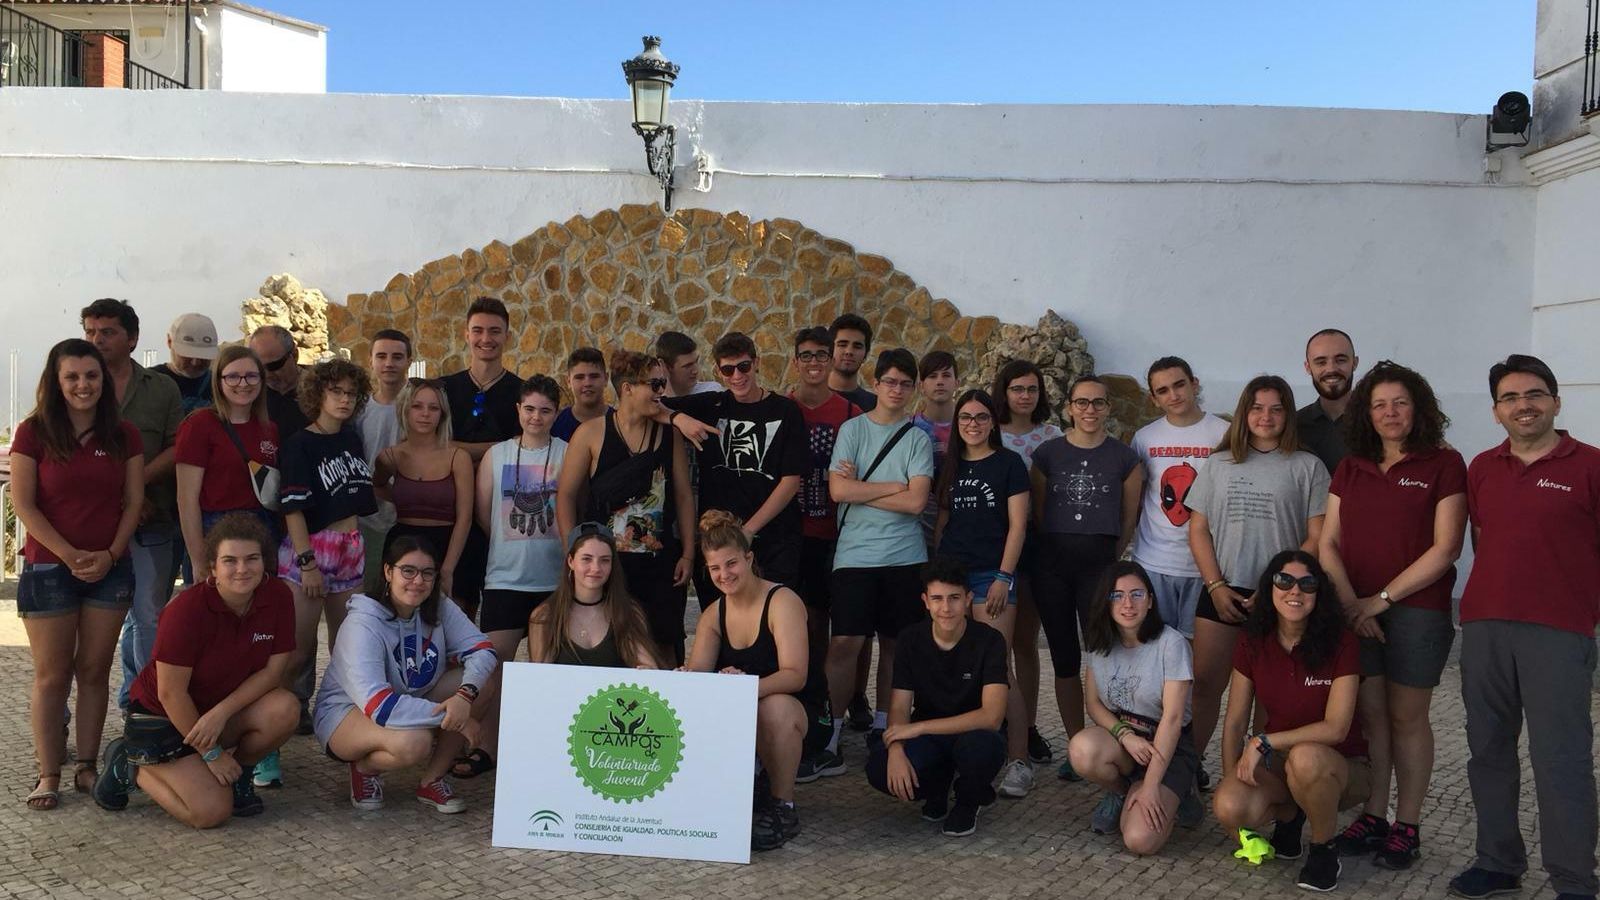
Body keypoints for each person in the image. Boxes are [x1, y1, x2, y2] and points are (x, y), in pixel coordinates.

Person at [1447, 355, 1599, 900]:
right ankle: (1498, 862)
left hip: (1559, 631)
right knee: (1487, 748)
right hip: (1485, 626)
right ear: (1495, 411)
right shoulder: (1483, 467)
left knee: (1560, 757)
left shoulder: (1591, 465)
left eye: (1533, 394)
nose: (1523, 405)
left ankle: (1575, 880)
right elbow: (1483, 540)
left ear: (1556, 402)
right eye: (1509, 398)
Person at [1319, 362, 1466, 870]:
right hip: (1354, 609)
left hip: (1416, 611)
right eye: (1379, 404)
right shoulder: (1351, 466)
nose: (1390, 413)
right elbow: (1328, 543)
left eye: (1400, 402)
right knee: (1373, 717)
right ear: (1366, 412)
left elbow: (1446, 549)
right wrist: (1350, 605)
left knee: (1407, 718)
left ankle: (1408, 825)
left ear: (1418, 408)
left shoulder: (1443, 465)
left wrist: (1377, 601)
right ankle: (1374, 816)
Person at [93, 513, 299, 826]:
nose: (242, 569)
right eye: (229, 560)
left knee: (284, 707)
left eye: (252, 559)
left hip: (213, 714)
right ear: (212, 568)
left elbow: (273, 673)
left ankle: (238, 776)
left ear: (265, 562)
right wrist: (212, 754)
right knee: (210, 813)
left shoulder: (279, 596)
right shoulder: (186, 610)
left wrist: (221, 713)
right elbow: (169, 692)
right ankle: (131, 765)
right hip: (162, 716)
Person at [11, 339, 143, 809]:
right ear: (56, 381)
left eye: (91, 376)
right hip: (50, 567)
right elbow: (23, 503)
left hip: (109, 568)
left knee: (93, 670)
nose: (83, 385)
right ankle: (49, 773)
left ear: (103, 381)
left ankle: (87, 766)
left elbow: (133, 502)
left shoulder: (124, 434)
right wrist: (67, 554)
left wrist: (110, 553)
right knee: (52, 675)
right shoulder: (33, 432)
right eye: (72, 377)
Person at [1185, 374, 1328, 790]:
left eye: (1276, 408)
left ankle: (1262, 780)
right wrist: (1215, 585)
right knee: (1206, 686)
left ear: (1288, 415)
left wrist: (1276, 590)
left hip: (1283, 596)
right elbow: (1198, 530)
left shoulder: (1308, 466)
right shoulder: (1218, 463)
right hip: (1223, 590)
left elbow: (1317, 537)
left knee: (1269, 698)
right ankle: (1187, 770)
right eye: (1257, 407)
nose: (1266, 416)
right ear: (1244, 412)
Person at [1212, 551, 1367, 893]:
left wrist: (1264, 741)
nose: (1294, 591)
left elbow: (1336, 728)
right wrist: (1232, 777)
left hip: (1342, 766)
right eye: (1284, 581)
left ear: (1319, 593)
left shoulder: (1342, 643)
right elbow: (1235, 721)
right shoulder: (1253, 641)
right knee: (1229, 804)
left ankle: (1324, 850)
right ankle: (1289, 817)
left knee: (1306, 757)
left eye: (1307, 584)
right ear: (1269, 588)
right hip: (1281, 767)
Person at [314, 536, 498, 813]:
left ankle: (432, 780)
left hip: (409, 695)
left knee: (482, 685)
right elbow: (379, 706)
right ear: (388, 572)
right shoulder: (362, 624)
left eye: (427, 573)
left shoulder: (437, 605)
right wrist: (459, 720)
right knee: (415, 742)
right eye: (407, 571)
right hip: (349, 713)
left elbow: (483, 649)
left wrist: (465, 695)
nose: (418, 581)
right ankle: (364, 769)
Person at [684, 511, 830, 851]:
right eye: (715, 569)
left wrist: (740, 688)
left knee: (773, 708)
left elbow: (796, 675)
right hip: (746, 714)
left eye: (731, 564)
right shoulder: (712, 615)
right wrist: (685, 681)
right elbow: (700, 681)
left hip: (803, 713)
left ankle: (783, 806)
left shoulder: (783, 602)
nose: (725, 575)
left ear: (749, 559)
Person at [822, 348, 935, 770]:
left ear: (914, 389)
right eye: (890, 381)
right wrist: (895, 486)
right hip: (855, 555)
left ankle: (886, 728)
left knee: (895, 645)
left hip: (905, 558)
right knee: (845, 643)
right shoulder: (852, 429)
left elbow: (917, 502)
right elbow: (839, 492)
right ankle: (829, 735)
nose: (897, 390)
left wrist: (866, 486)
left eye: (906, 383)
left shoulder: (918, 437)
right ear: (877, 383)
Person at [268, 357, 378, 789]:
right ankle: (264, 746)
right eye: (336, 392)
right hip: (311, 549)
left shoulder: (352, 439)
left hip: (350, 547)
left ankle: (345, 732)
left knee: (348, 645)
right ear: (319, 395)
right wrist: (306, 561)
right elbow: (292, 507)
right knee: (294, 652)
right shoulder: (299, 444)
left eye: (351, 393)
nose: (345, 399)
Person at [1030, 375, 1144, 781]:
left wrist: (1111, 558)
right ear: (1070, 407)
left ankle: (1112, 742)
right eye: (1082, 403)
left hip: (1100, 566)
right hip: (1053, 567)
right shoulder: (1046, 455)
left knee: (1105, 656)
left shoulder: (1125, 459)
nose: (1090, 410)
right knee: (1064, 658)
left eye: (1098, 403)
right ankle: (1076, 743)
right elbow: (1040, 512)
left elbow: (1129, 517)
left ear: (1108, 408)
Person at [457, 375, 568, 778]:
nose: (536, 416)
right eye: (529, 408)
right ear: (517, 410)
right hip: (505, 578)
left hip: (553, 581)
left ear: (556, 413)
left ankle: (546, 750)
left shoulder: (568, 453)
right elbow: (486, 515)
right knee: (493, 668)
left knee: (547, 671)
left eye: (545, 409)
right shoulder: (497, 455)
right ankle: (486, 748)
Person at [556, 350, 696, 665]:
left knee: (664, 645)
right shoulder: (591, 433)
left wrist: (688, 552)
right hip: (606, 564)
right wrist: (572, 549)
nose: (661, 392)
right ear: (628, 388)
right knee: (607, 645)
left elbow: (684, 495)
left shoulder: (668, 433)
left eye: (662, 384)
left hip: (660, 563)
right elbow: (565, 495)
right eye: (655, 384)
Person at [79, 299, 185, 712]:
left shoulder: (161, 389)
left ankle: (148, 706)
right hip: (89, 525)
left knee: (149, 616)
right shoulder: (76, 385)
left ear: (133, 338)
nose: (96, 339)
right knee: (81, 627)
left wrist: (135, 488)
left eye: (107, 332)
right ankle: (62, 723)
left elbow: (178, 446)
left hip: (150, 518)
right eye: (90, 331)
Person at [931, 389, 1032, 797]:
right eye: (965, 417)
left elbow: (1018, 527)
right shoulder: (949, 465)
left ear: (993, 421)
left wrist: (1003, 577)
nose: (973, 423)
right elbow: (942, 521)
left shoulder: (1010, 464)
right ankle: (962, 753)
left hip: (992, 576)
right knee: (953, 666)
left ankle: (1020, 759)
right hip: (952, 579)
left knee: (998, 668)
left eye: (981, 416)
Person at [663, 332, 807, 610]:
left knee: (773, 620)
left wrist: (749, 530)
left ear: (756, 363)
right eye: (728, 370)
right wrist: (678, 418)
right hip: (719, 544)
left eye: (743, 366)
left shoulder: (786, 411)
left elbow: (791, 481)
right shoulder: (711, 405)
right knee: (722, 625)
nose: (737, 376)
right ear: (718, 371)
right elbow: (650, 406)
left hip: (775, 541)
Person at [865, 557, 1008, 838]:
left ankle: (969, 800)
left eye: (954, 598)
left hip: (973, 734)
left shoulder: (990, 641)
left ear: (968, 600)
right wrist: (895, 748)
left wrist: (918, 728)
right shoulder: (910, 639)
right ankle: (937, 786)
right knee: (879, 769)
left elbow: (991, 717)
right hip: (930, 737)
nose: (946, 608)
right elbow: (899, 705)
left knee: (982, 748)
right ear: (925, 601)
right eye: (938, 598)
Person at [1067, 560, 1200, 852]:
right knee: (1082, 749)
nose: (1128, 604)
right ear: (1107, 601)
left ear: (1150, 601)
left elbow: (1173, 719)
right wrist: (1125, 735)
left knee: (1140, 840)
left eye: (1137, 594)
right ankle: (1121, 792)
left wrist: (1151, 786)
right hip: (1127, 742)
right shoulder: (1101, 642)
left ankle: (1176, 790)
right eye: (1117, 595)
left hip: (1167, 746)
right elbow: (1093, 703)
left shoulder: (1171, 644)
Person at [788, 326, 867, 752]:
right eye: (807, 355)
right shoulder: (783, 409)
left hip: (835, 534)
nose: (816, 362)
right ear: (796, 361)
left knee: (829, 629)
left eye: (822, 355)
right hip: (790, 534)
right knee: (794, 624)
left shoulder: (851, 414)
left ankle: (827, 711)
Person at [1129, 357, 1230, 641]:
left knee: (1196, 655)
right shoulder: (1144, 438)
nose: (1173, 395)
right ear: (1153, 398)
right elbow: (1136, 499)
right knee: (1153, 646)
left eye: (1179, 385)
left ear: (1194, 383)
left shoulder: (1223, 434)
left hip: (1204, 566)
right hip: (1153, 562)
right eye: (1163, 390)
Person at [993, 358, 1063, 767]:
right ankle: (999, 718)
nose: (1024, 396)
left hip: (1037, 546)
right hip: (995, 545)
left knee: (1025, 642)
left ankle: (1029, 725)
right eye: (1017, 388)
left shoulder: (1052, 437)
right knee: (994, 642)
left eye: (1032, 389)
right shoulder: (990, 432)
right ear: (1003, 391)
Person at [439, 297, 523, 622]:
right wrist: (497, 446)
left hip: (503, 514)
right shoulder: (445, 389)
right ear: (466, 334)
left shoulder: (521, 392)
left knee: (500, 613)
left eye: (494, 331)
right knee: (458, 607)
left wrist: (455, 448)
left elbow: (522, 447)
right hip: (451, 511)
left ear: (507, 336)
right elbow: (433, 445)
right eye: (478, 330)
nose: (485, 339)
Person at [175, 345, 280, 579]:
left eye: (251, 376)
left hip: (262, 529)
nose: (243, 383)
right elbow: (186, 499)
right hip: (216, 528)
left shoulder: (268, 428)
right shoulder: (200, 425)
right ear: (219, 380)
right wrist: (198, 559)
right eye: (232, 376)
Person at [373, 378, 473, 595]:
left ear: (442, 414)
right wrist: (407, 498)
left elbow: (465, 517)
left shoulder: (458, 458)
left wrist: (447, 569)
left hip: (447, 547)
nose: (425, 413)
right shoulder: (391, 457)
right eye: (417, 406)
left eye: (433, 407)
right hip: (401, 546)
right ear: (405, 410)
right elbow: (376, 486)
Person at [527, 522, 660, 668]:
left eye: (604, 560)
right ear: (571, 561)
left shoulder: (628, 612)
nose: (596, 568)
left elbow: (649, 668)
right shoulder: (545, 615)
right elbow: (538, 679)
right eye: (586, 559)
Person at [355, 329, 412, 596]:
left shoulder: (419, 407)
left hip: (408, 513)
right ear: (371, 361)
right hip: (367, 516)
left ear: (409, 361)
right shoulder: (359, 408)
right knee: (370, 592)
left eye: (397, 357)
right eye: (382, 356)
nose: (389, 363)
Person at [1297, 329, 1360, 476]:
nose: (1331, 369)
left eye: (1340, 360)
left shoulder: (1378, 421)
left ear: (1355, 363)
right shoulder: (1293, 427)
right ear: (1308, 367)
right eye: (1321, 362)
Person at [912, 350, 958, 547]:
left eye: (946, 375)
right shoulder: (908, 428)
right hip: (915, 530)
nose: (940, 381)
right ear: (921, 386)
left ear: (957, 383)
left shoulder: (972, 426)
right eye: (932, 376)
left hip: (960, 525)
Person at [248, 325, 309, 439]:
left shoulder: (320, 389)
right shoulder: (251, 394)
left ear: (295, 355)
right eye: (259, 368)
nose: (267, 375)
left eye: (274, 366)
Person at [153, 313, 219, 415]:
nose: (195, 362)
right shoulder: (149, 382)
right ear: (169, 342)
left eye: (203, 356)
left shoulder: (222, 384)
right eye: (187, 355)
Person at [551, 346, 611, 441]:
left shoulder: (621, 424)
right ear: (568, 382)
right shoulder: (556, 426)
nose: (587, 383)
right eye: (579, 377)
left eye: (594, 376)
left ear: (606, 379)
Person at [828, 314, 877, 411]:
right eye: (842, 345)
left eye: (857, 346)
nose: (849, 351)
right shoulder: (809, 400)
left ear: (866, 354)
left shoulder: (875, 406)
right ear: (829, 349)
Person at [655, 330, 721, 397]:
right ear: (666, 367)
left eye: (696, 361)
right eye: (687, 366)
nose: (695, 371)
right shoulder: (654, 399)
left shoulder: (712, 391)